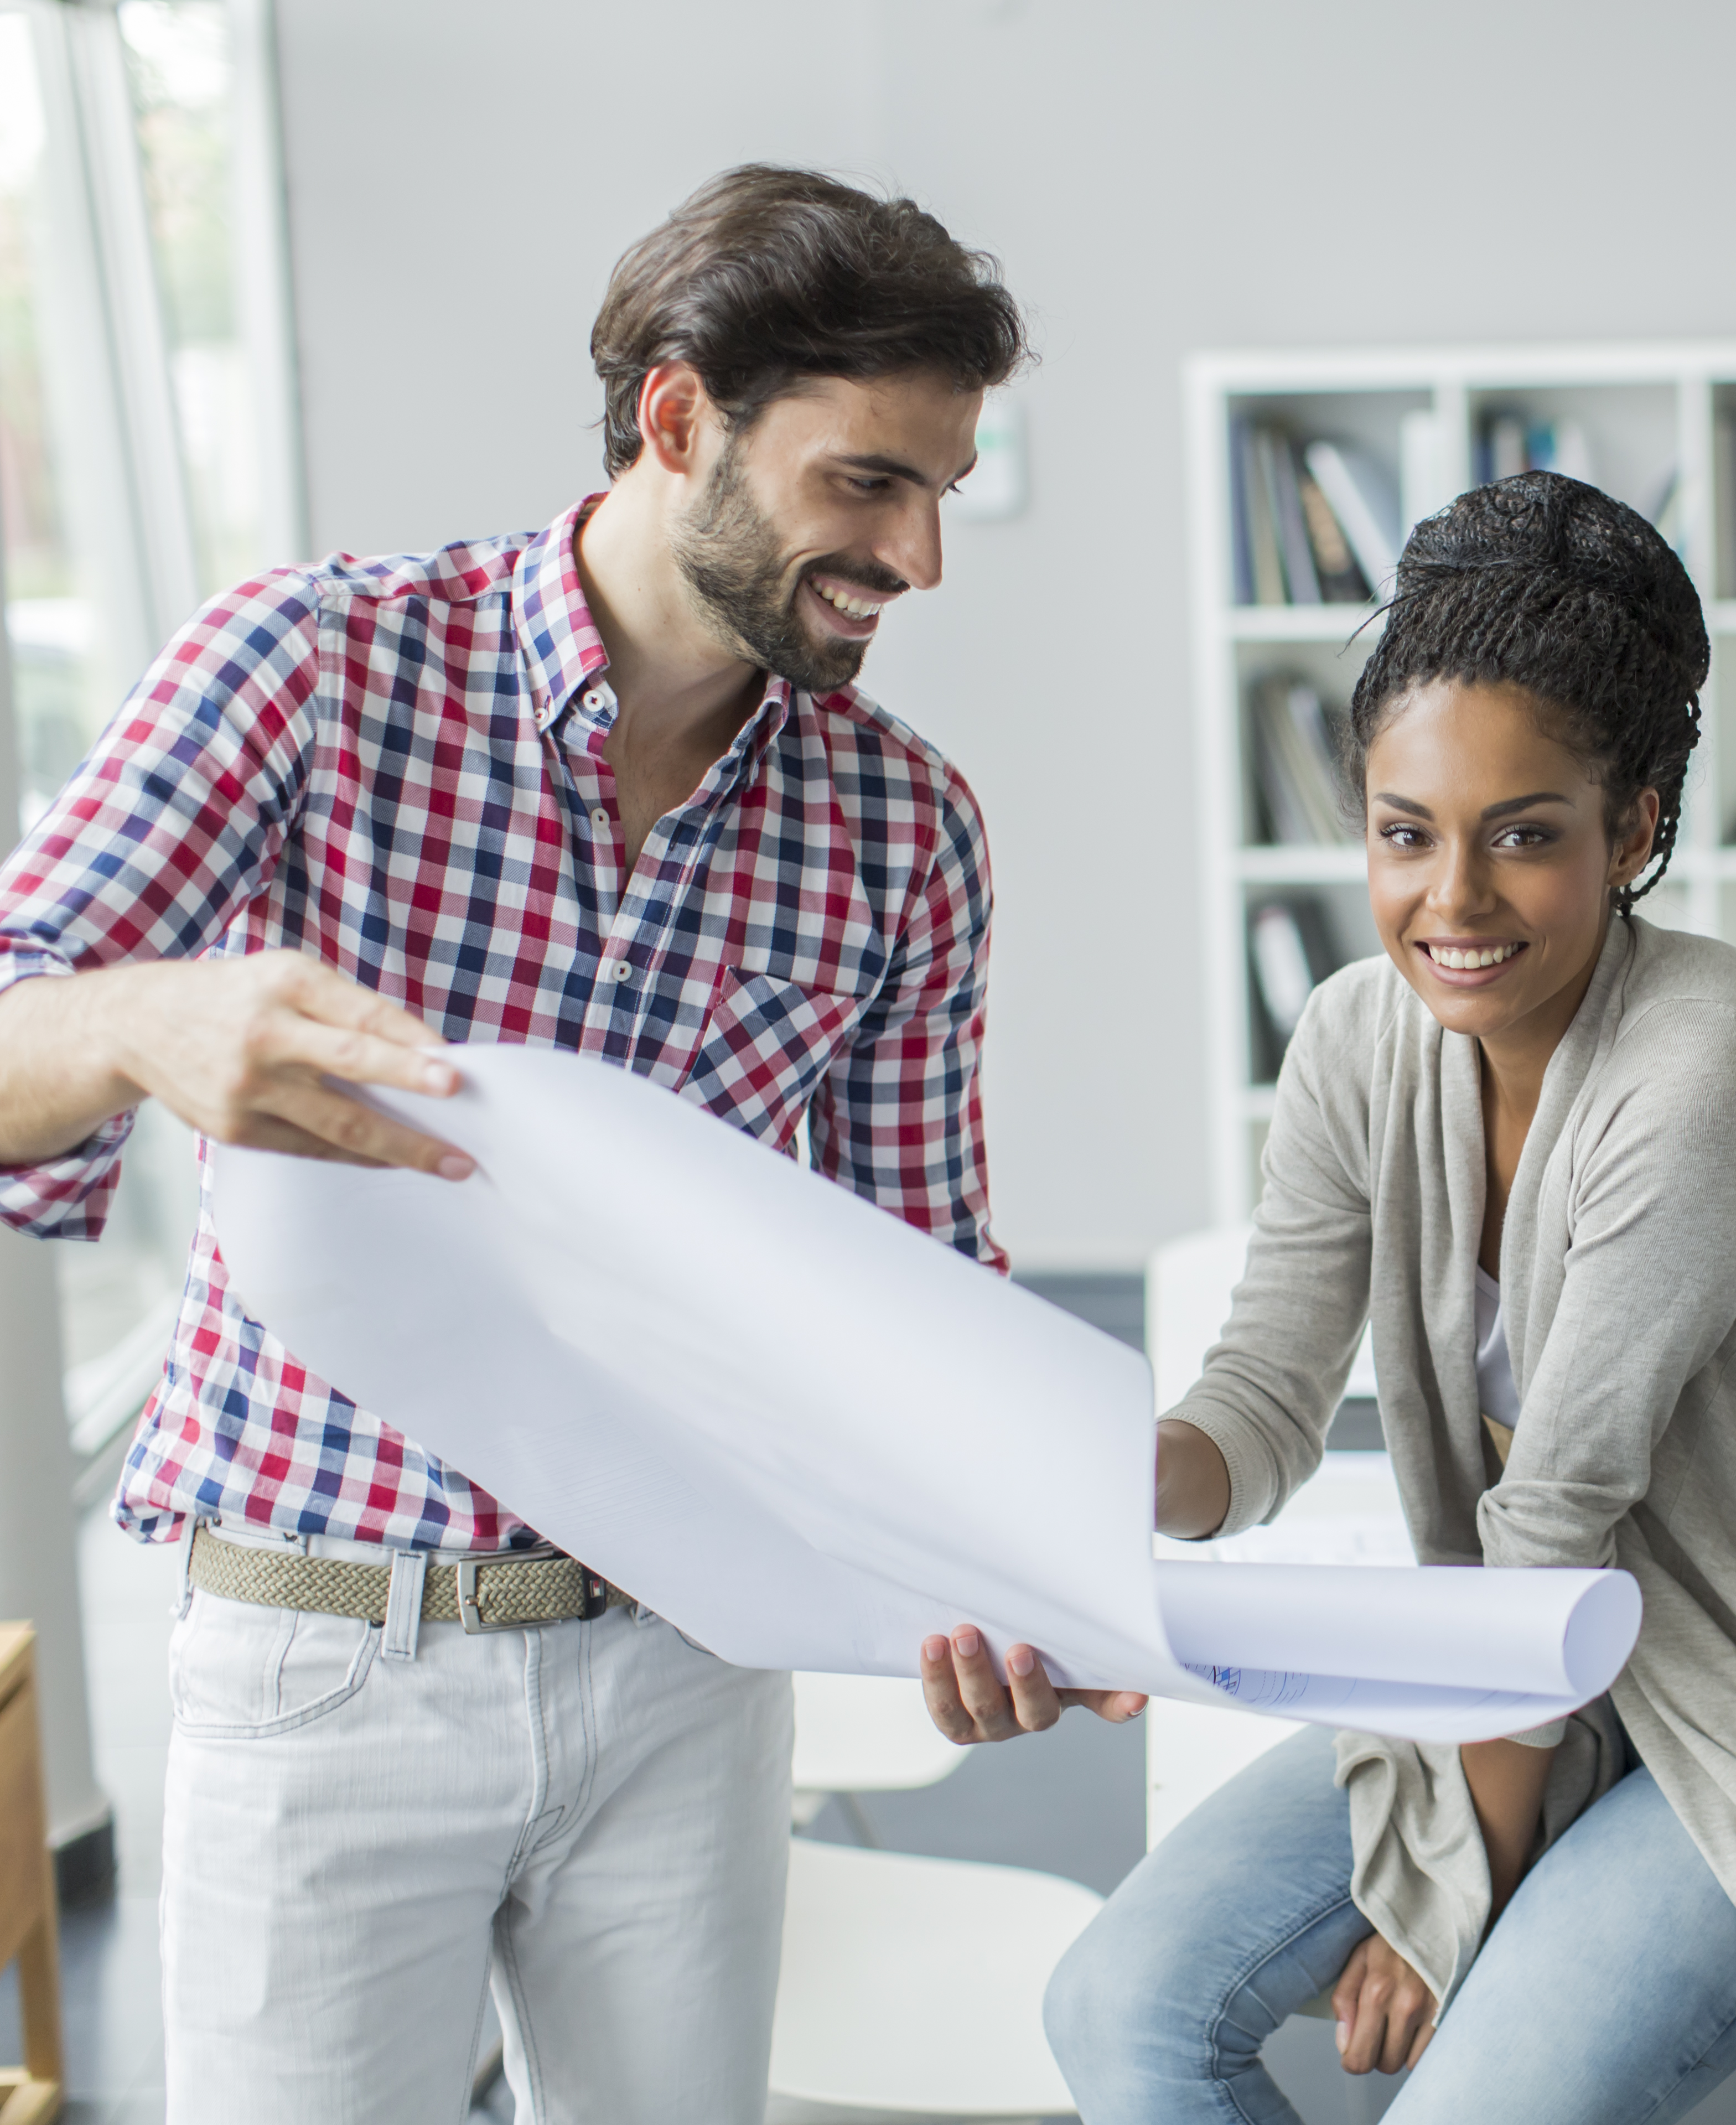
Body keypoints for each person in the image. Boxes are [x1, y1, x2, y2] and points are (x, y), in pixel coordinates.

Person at [0, 167, 1139, 2124]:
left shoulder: (903, 833)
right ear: (680, 418)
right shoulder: (311, 670)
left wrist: (1018, 1573)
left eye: (945, 488)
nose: (921, 555)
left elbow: (917, 1295)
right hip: (324, 1654)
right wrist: (137, 1023)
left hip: (686, 1679)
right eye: (870, 482)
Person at [927, 472, 1736, 2124]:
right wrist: (1098, 1498)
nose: (1452, 903)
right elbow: (1264, 1390)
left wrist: (1452, 1894)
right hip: (1524, 1668)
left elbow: (1555, 1518)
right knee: (1121, 2008)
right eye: (1406, 835)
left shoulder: (1706, 1054)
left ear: (1631, 830)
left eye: (1525, 836)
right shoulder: (1352, 1037)